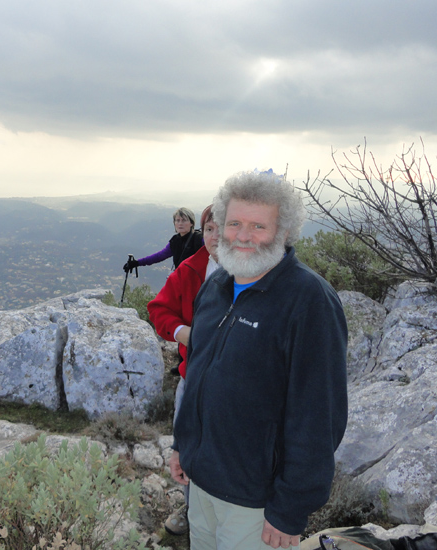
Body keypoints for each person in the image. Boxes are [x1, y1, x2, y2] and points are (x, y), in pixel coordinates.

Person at [169, 170, 348, 549]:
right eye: (233, 223)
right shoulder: (215, 288)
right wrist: (182, 445)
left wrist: (289, 510)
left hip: (255, 504)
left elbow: (319, 417)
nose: (243, 236)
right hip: (201, 486)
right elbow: (198, 376)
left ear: (284, 231)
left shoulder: (309, 302)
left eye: (258, 226)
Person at [147, 204, 223, 536]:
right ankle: (191, 507)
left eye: (223, 228)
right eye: (209, 229)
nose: (216, 236)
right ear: (201, 232)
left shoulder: (255, 271)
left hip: (237, 386)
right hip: (193, 379)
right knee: (188, 450)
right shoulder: (191, 269)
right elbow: (158, 309)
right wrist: (185, 334)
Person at [124, 207, 203, 274]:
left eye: (184, 220)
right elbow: (159, 256)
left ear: (191, 223)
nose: (180, 223)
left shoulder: (200, 239)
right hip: (181, 281)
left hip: (198, 284)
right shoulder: (175, 241)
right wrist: (137, 263)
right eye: (177, 220)